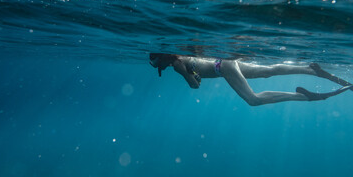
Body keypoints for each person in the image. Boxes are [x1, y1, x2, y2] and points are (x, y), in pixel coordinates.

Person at [149, 53, 352, 106]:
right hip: (224, 62)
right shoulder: (182, 57)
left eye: (157, 63)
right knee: (267, 71)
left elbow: (194, 85)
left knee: (253, 100)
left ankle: (303, 97)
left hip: (222, 68)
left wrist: (189, 75)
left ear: (161, 57)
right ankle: (310, 69)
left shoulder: (177, 64)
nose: (160, 67)